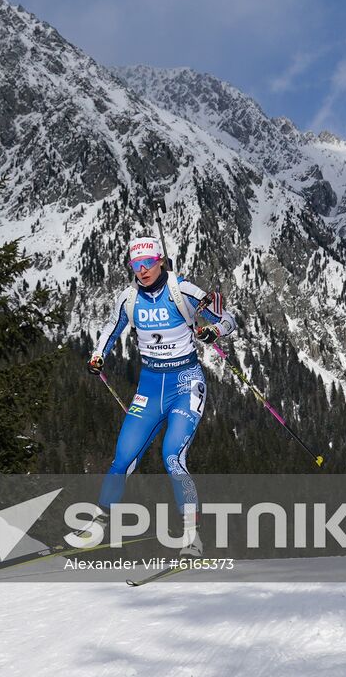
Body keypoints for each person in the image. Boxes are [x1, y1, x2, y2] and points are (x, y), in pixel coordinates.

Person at [77, 236, 236, 555]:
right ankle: (100, 521)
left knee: (172, 458)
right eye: (136, 266)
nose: (142, 270)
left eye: (147, 263)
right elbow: (112, 327)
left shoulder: (184, 291)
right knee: (122, 457)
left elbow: (228, 318)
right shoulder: (129, 299)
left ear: (161, 260)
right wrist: (98, 355)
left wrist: (212, 331)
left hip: (186, 383)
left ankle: (193, 536)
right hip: (149, 386)